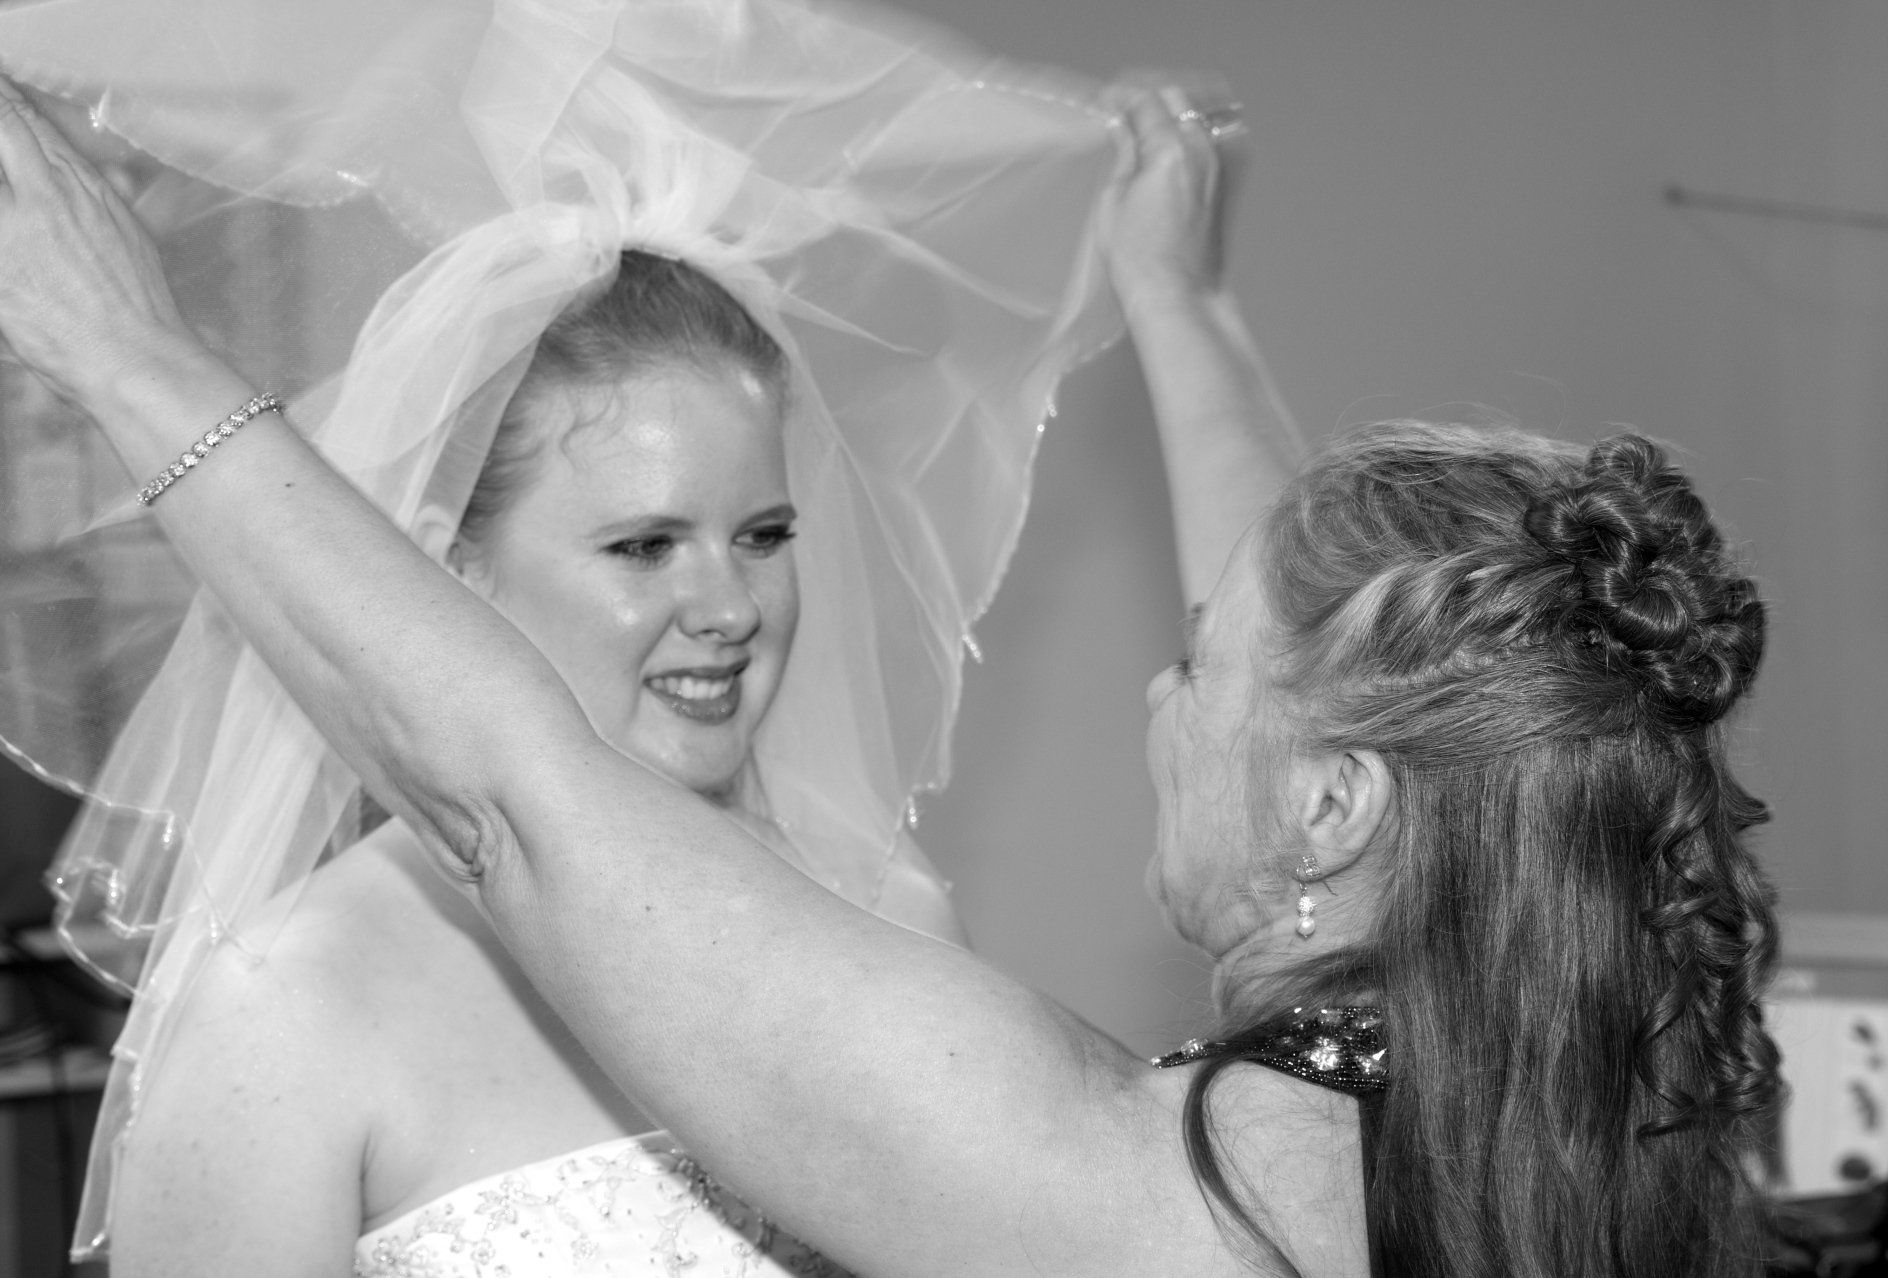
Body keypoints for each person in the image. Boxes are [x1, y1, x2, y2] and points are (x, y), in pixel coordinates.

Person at [0, 46, 1783, 1278]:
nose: (1159, 697)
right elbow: (1341, 649)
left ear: (1331, 807)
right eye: (642, 542)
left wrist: (123, 346)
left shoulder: (1167, 1187)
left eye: (1197, 661)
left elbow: (517, 803)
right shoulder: (1543, 1103)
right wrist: (1178, 301)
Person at [0, 0, 1128, 1269]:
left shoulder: (886, 918)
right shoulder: (292, 1004)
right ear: (453, 573)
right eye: (645, 546)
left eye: (763, 535)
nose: (732, 609)